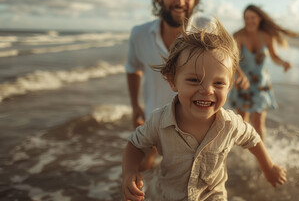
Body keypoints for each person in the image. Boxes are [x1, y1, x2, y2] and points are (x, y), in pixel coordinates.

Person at [122, 19, 287, 201]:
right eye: (194, 80)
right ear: (172, 81)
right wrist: (130, 172)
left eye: (218, 83)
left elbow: (252, 139)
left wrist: (268, 168)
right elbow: (136, 145)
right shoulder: (159, 120)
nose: (207, 90)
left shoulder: (230, 124)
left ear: (229, 86)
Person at [125, 0, 202, 170]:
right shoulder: (139, 35)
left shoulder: (206, 34)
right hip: (154, 127)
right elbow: (133, 68)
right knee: (143, 178)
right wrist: (135, 106)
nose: (180, 1)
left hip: (196, 133)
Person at [229, 4, 297, 141]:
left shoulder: (266, 36)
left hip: (261, 85)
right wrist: (241, 75)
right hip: (243, 84)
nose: (249, 21)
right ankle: (242, 154)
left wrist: (284, 63)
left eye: (252, 17)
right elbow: (233, 60)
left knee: (259, 124)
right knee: (242, 123)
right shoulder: (238, 35)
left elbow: (274, 56)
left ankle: (259, 158)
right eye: (246, 18)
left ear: (259, 19)